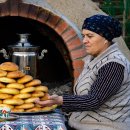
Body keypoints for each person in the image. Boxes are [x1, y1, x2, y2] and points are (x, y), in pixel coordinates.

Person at [35, 14, 130, 130]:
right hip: (83, 125)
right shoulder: (96, 59)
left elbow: (95, 100)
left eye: (90, 36)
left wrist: (60, 100)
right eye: (83, 36)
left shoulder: (114, 64)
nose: (84, 41)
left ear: (106, 38)